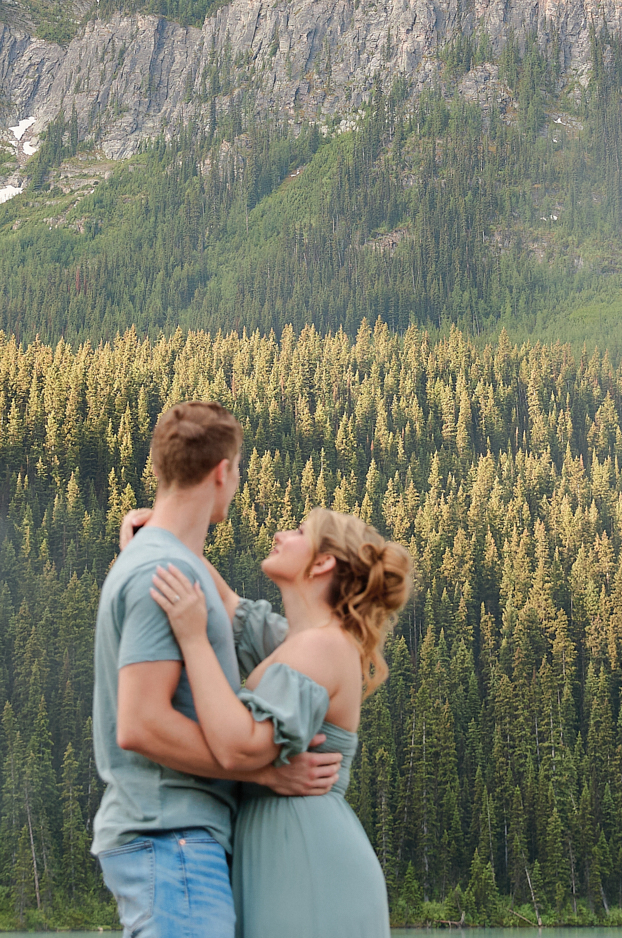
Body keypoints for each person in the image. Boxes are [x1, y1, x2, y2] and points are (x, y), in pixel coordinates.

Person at [92, 402, 343, 938]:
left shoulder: (169, 564)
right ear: (222, 473)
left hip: (178, 837)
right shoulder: (165, 572)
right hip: (171, 835)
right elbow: (141, 724)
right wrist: (262, 771)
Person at [148, 506, 414, 938]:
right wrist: (158, 530)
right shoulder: (297, 642)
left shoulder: (321, 649)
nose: (279, 533)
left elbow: (236, 746)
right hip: (284, 852)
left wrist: (193, 637)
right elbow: (228, 602)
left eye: (297, 531)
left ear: (323, 562)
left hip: (305, 862)